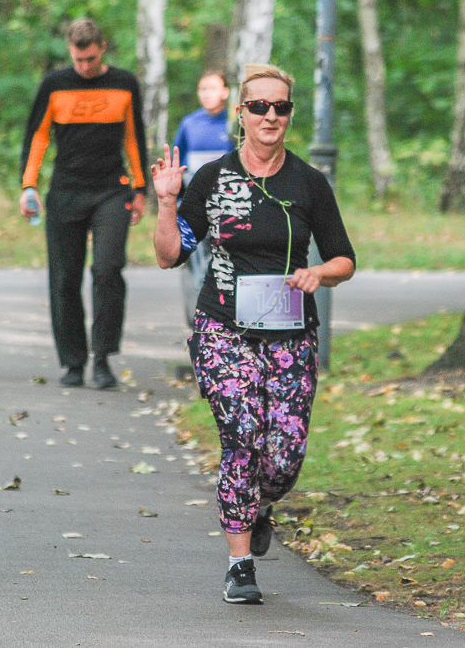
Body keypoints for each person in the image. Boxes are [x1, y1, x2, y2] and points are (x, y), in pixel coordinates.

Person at [151, 63, 356, 606]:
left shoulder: (309, 183)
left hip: (290, 335)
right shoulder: (214, 179)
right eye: (259, 106)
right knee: (242, 434)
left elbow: (345, 258)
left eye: (280, 107)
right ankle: (239, 564)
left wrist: (320, 273)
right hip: (224, 329)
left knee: (283, 457)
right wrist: (168, 201)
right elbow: (171, 254)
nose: (270, 116)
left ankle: (262, 503)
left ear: (289, 115)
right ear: (240, 114)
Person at [19, 19, 147, 390]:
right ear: (69, 52)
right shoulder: (55, 85)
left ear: (102, 48)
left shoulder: (124, 84)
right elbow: (38, 136)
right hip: (66, 191)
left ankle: (103, 357)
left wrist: (141, 189)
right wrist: (28, 186)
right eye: (78, 60)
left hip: (111, 189)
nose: (85, 67)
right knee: (64, 279)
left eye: (90, 59)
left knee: (107, 270)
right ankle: (73, 362)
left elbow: (134, 137)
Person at [171, 69, 235, 325]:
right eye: (202, 89)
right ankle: (197, 318)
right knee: (193, 262)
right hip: (194, 206)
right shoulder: (189, 124)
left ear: (226, 92)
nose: (206, 94)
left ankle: (224, 316)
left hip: (226, 207)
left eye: (212, 88)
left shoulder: (233, 125)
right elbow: (178, 162)